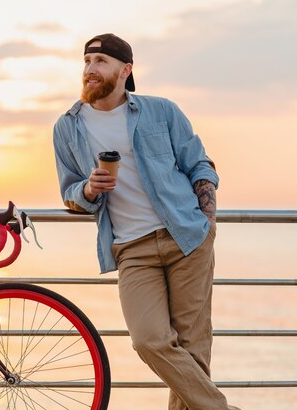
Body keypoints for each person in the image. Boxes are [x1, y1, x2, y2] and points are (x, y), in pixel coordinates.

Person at [53, 33, 240, 410]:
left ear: (126, 70)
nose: (90, 69)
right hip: (131, 248)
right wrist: (88, 190)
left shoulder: (162, 111)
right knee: (148, 340)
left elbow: (199, 164)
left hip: (186, 236)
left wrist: (207, 222)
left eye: (101, 61)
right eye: (87, 61)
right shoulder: (67, 127)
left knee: (192, 349)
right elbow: (69, 191)